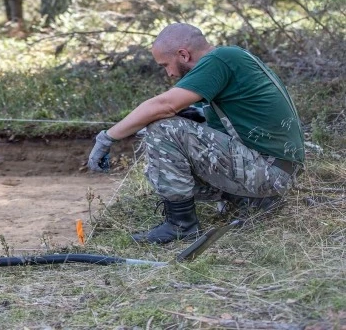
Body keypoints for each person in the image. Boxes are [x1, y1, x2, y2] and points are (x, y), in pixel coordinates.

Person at [86, 23, 304, 244]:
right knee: (168, 139)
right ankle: (250, 201)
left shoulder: (219, 59)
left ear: (183, 54)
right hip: (274, 170)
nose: (169, 73)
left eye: (166, 65)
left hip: (270, 173)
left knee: (162, 128)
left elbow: (164, 105)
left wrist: (107, 137)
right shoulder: (231, 58)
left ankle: (181, 226)